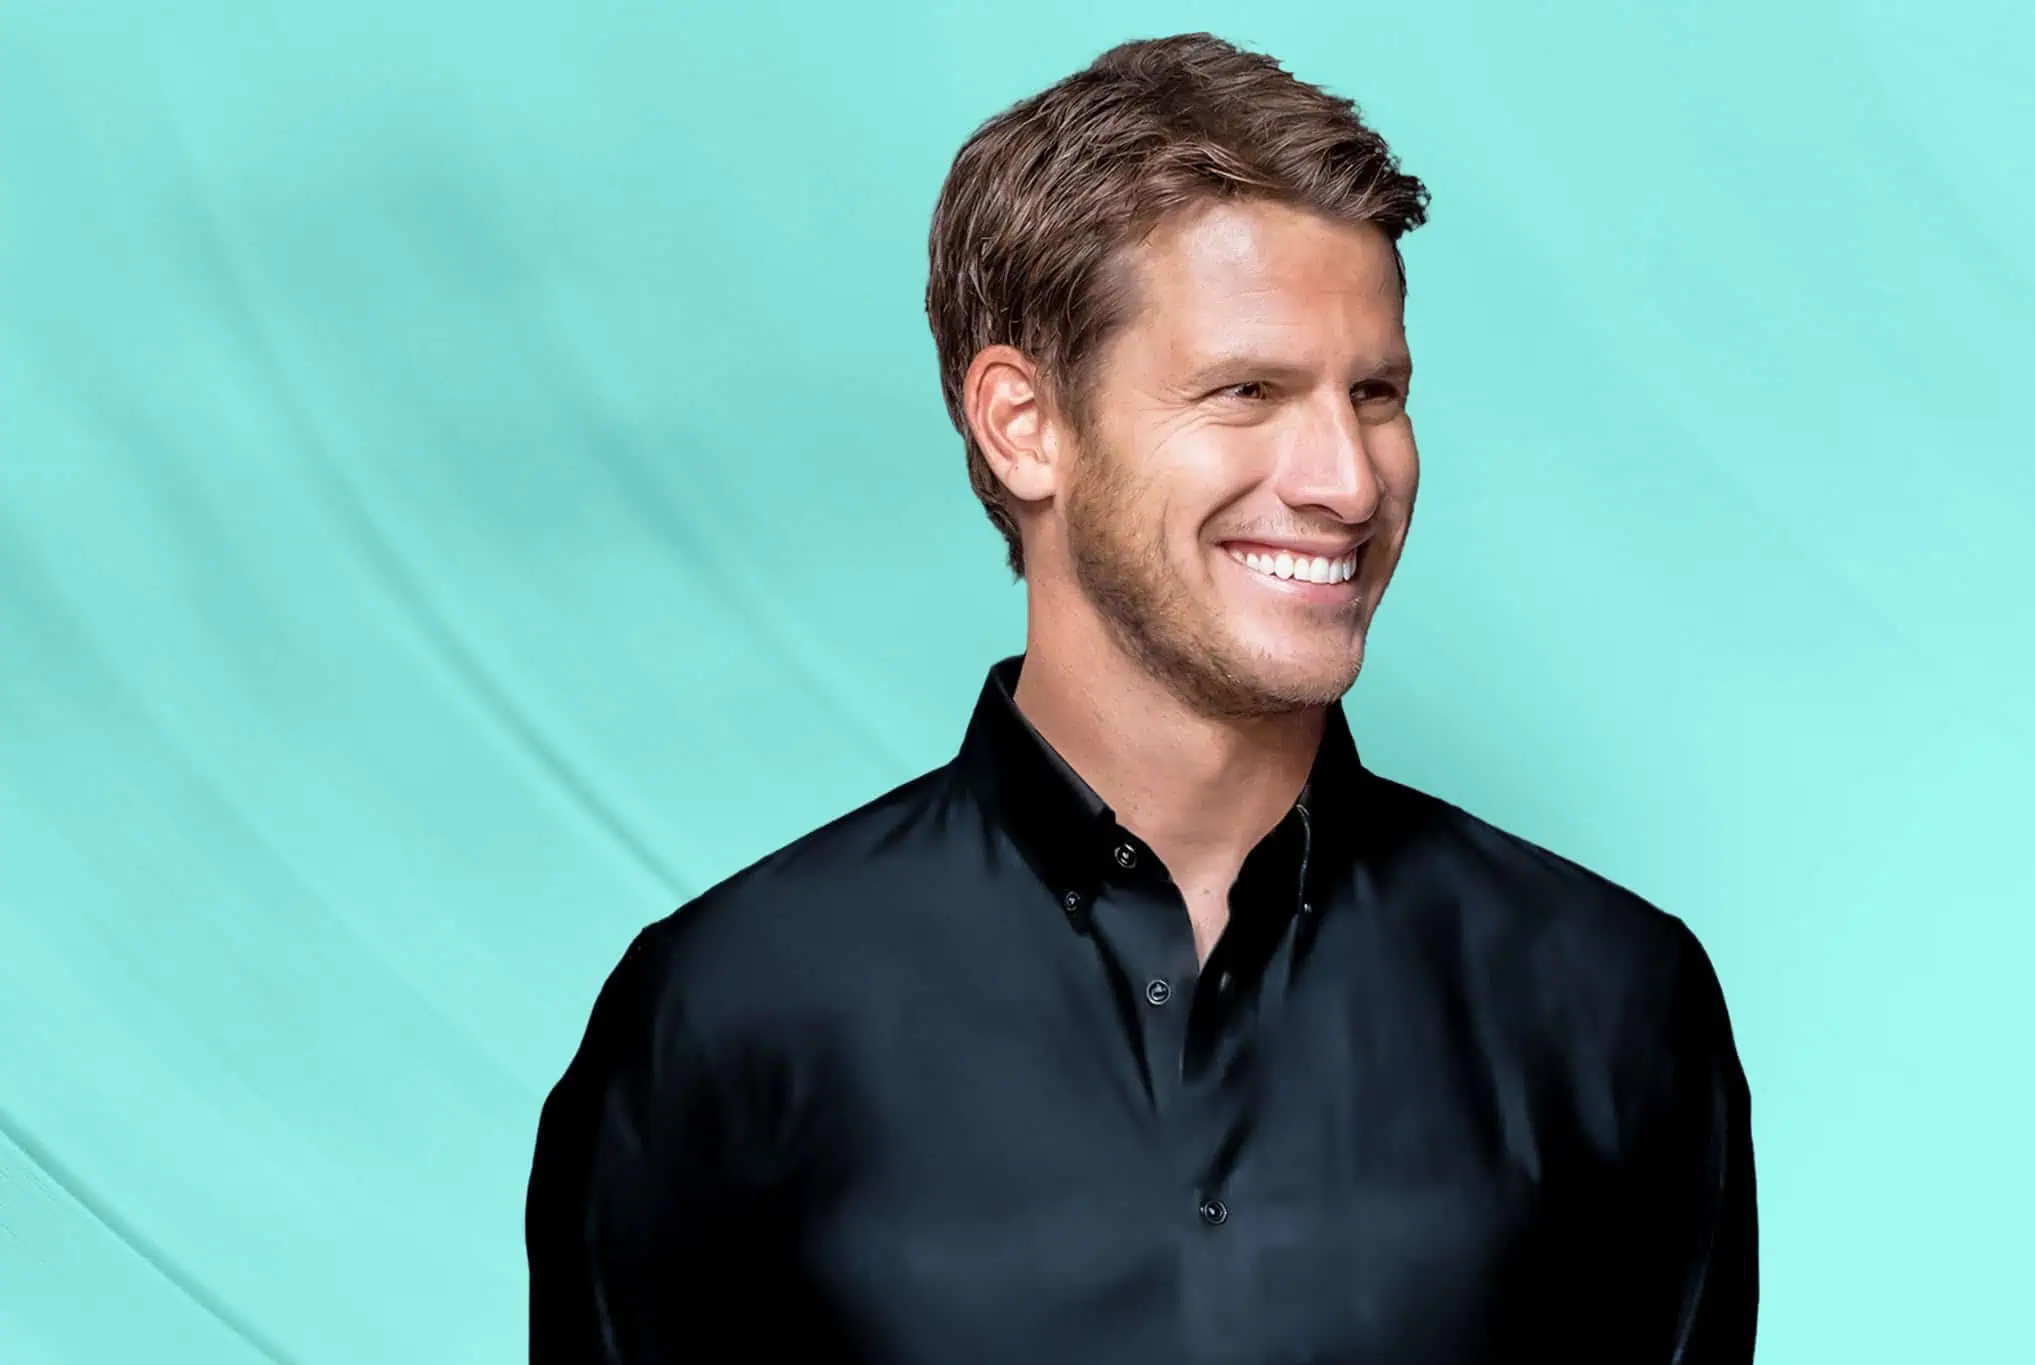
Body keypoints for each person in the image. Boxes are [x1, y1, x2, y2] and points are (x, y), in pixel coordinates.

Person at [526, 31, 1757, 1364]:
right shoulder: (725, 1017)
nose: (1347, 481)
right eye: (1247, 391)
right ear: (1023, 423)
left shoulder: (1610, 1000)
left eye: (1375, 394)